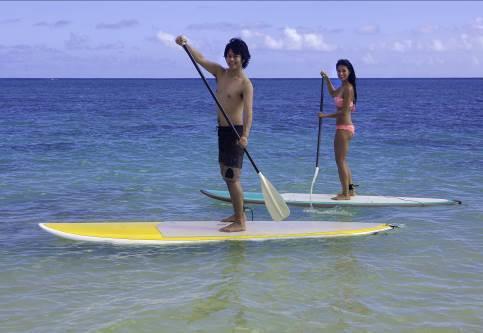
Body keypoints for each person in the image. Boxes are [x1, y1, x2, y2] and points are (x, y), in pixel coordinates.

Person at [175, 35, 253, 232]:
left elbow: (248, 112)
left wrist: (246, 137)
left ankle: (241, 223)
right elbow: (200, 59)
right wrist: (186, 45)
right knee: (225, 175)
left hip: (236, 133)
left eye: (235, 56)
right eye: (228, 56)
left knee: (233, 177)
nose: (231, 59)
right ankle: (237, 214)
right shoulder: (220, 73)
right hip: (222, 131)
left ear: (243, 58)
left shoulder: (245, 83)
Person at [319, 59, 358, 200]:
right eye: (338, 71)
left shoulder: (348, 88)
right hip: (343, 127)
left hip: (344, 128)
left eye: (343, 70)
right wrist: (326, 79)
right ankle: (351, 190)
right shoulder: (342, 86)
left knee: (340, 161)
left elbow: (344, 112)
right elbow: (332, 93)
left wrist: (325, 115)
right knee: (343, 160)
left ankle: (345, 194)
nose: (341, 73)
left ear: (349, 71)